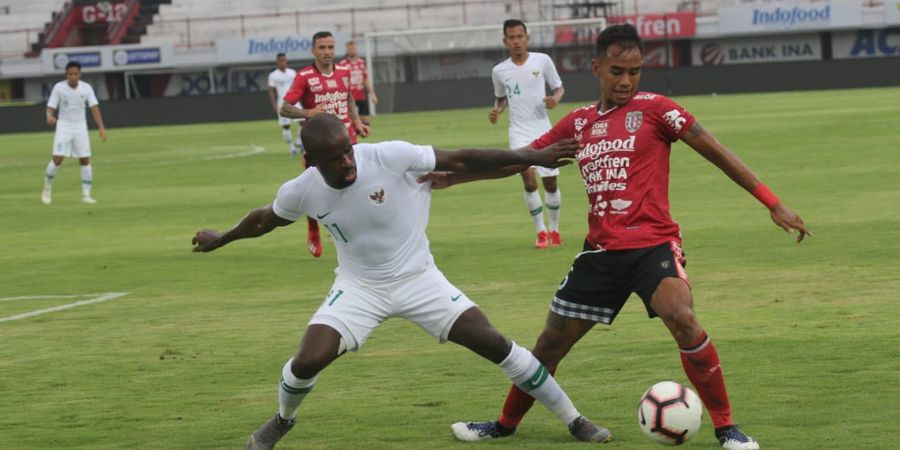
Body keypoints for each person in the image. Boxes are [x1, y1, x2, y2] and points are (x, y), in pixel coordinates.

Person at [441, 24, 812, 449]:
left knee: (683, 318)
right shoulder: (579, 123)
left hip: (653, 246)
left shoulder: (658, 110)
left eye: (635, 71)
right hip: (600, 254)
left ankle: (728, 429)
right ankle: (504, 425)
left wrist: (771, 201)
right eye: (617, 71)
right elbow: (522, 158)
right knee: (548, 347)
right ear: (596, 67)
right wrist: (457, 178)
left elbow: (716, 151)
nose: (626, 81)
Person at [192, 114, 612, 450]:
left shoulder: (389, 156)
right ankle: (281, 421)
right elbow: (263, 220)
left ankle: (575, 420)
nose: (347, 163)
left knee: (496, 344)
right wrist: (221, 238)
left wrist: (531, 154)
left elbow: (463, 159)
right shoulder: (301, 191)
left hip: (419, 279)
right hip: (360, 288)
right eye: (335, 160)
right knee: (307, 360)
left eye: (348, 151)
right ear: (312, 163)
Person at [280, 31, 371, 259]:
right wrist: (308, 111)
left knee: (357, 183)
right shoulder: (304, 76)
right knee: (314, 188)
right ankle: (313, 228)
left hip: (347, 138)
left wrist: (357, 121)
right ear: (313, 51)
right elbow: (285, 108)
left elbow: (348, 96)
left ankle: (362, 228)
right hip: (319, 145)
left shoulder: (344, 71)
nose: (327, 52)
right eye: (322, 48)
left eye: (330, 47)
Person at [490, 19, 565, 249]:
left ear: (527, 38)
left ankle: (554, 229)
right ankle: (540, 231)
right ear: (505, 41)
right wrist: (497, 110)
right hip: (519, 133)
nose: (516, 41)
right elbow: (502, 97)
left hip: (543, 130)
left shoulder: (542, 61)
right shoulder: (500, 70)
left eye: (520, 36)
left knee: (550, 183)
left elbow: (559, 88)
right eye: (511, 37)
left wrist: (554, 100)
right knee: (528, 178)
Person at [41, 61, 107, 205]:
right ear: (66, 75)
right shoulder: (59, 88)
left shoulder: (86, 88)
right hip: (64, 126)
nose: (73, 77)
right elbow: (50, 106)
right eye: (70, 74)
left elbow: (94, 107)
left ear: (80, 74)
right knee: (58, 159)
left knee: (85, 159)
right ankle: (47, 187)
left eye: (76, 74)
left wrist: (101, 127)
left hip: (80, 127)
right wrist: (49, 116)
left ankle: (86, 195)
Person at [267, 53, 303, 156]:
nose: (283, 62)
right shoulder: (273, 75)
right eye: (281, 61)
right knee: (286, 126)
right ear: (277, 62)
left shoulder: (292, 73)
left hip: (294, 102)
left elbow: (298, 86)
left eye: (284, 60)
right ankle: (291, 147)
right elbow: (271, 90)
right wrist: (274, 104)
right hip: (282, 103)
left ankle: (299, 141)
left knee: (303, 122)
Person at [338, 40, 378, 127]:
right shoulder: (342, 64)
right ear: (347, 50)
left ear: (356, 49)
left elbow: (365, 79)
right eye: (350, 48)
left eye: (354, 48)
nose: (352, 50)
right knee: (349, 120)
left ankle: (364, 136)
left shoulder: (361, 63)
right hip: (348, 96)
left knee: (366, 120)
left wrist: (373, 94)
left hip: (360, 95)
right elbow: (339, 81)